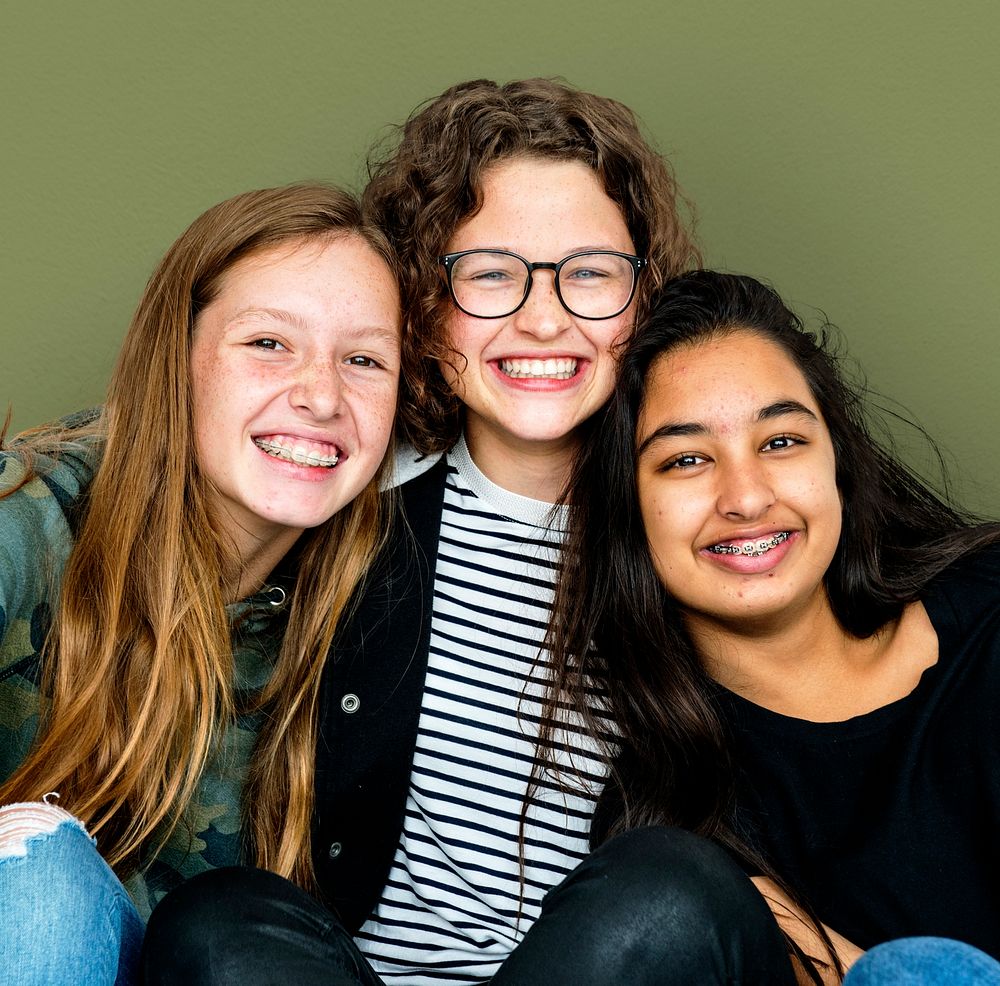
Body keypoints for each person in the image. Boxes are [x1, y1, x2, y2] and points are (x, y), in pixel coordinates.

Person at [141, 79, 810, 985]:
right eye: (492, 273)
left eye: (591, 272)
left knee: (673, 884)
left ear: (643, 297)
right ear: (422, 302)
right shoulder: (337, 485)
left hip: (595, 965)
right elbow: (173, 454)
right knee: (216, 920)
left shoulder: (706, 519)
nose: (543, 318)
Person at [545, 270, 1000, 982]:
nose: (747, 497)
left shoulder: (992, 612)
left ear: (838, 463)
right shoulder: (674, 819)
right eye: (686, 459)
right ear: (631, 513)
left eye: (781, 441)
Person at [0, 182, 402, 985]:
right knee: (43, 878)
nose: (322, 395)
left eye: (364, 360)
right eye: (268, 344)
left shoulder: (372, 613)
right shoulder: (27, 520)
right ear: (173, 357)